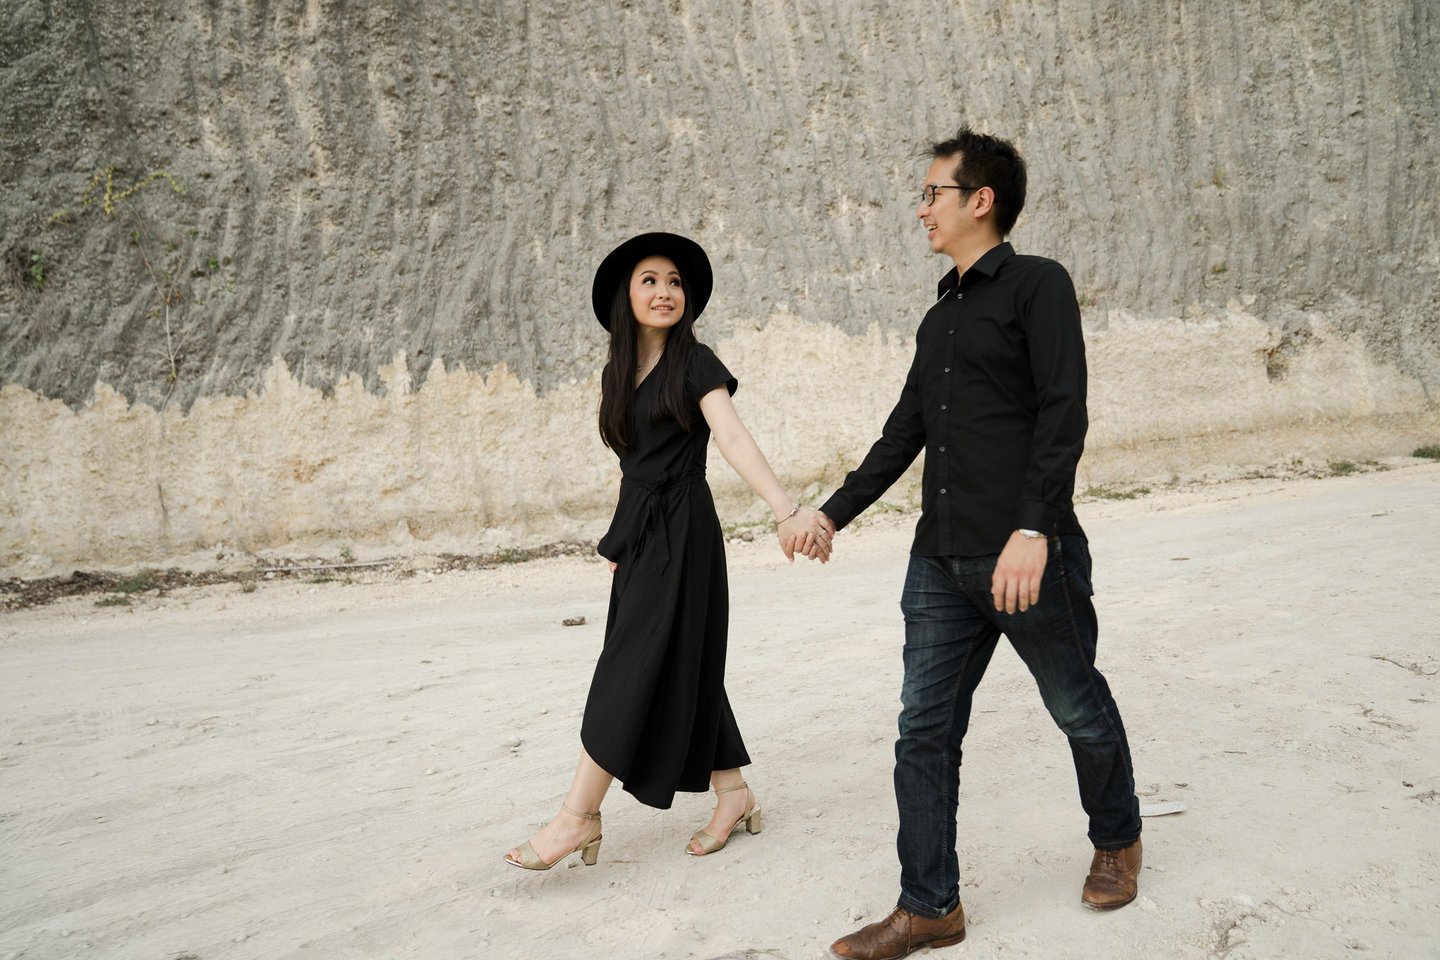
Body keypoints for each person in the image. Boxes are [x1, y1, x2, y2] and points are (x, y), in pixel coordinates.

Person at [794, 128, 1143, 958]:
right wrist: (833, 513)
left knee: (1076, 707)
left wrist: (1034, 529)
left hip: (1023, 555)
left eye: (931, 194)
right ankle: (929, 908)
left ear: (979, 200)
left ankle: (1118, 838)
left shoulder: (1037, 287)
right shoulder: (938, 315)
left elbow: (1064, 413)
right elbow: (904, 431)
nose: (920, 209)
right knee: (924, 731)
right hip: (939, 560)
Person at [505, 232, 829, 871]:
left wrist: (785, 510)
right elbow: (634, 467)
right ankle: (733, 794)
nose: (664, 291)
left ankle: (578, 816)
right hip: (642, 534)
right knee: (683, 658)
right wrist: (621, 541)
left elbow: (731, 436)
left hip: (685, 530)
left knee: (630, 668)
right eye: (650, 280)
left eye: (675, 281)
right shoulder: (617, 373)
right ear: (626, 294)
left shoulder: (696, 363)